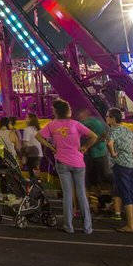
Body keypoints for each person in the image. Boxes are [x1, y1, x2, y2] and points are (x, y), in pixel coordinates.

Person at [38, 99, 96, 234]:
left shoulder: (52, 125)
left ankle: (68, 226)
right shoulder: (76, 124)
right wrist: (85, 147)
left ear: (56, 111)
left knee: (67, 195)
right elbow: (93, 136)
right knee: (81, 194)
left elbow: (38, 136)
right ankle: (87, 227)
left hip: (62, 162)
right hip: (78, 162)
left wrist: (51, 147)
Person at [105, 108, 133, 233]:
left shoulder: (112, 131)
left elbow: (109, 143)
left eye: (107, 116)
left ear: (113, 118)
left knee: (125, 195)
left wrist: (113, 153)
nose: (106, 118)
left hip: (121, 165)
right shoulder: (126, 129)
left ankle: (130, 225)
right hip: (132, 165)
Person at [77, 108, 111, 214]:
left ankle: (93, 204)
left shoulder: (84, 123)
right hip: (102, 153)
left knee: (90, 181)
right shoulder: (100, 121)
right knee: (102, 180)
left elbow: (78, 136)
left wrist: (86, 146)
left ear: (84, 114)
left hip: (91, 155)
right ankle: (105, 202)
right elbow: (107, 135)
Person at [0, 117, 20, 202]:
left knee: (3, 179)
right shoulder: (12, 133)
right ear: (8, 124)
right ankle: (15, 197)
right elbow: (17, 147)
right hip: (12, 161)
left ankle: (4, 197)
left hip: (1, 161)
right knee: (14, 179)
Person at [20, 113, 43, 181]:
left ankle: (35, 189)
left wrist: (23, 155)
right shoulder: (37, 129)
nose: (25, 119)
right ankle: (39, 188)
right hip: (39, 153)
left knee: (32, 174)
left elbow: (25, 144)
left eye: (26, 117)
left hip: (32, 154)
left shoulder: (28, 129)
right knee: (36, 173)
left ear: (30, 119)